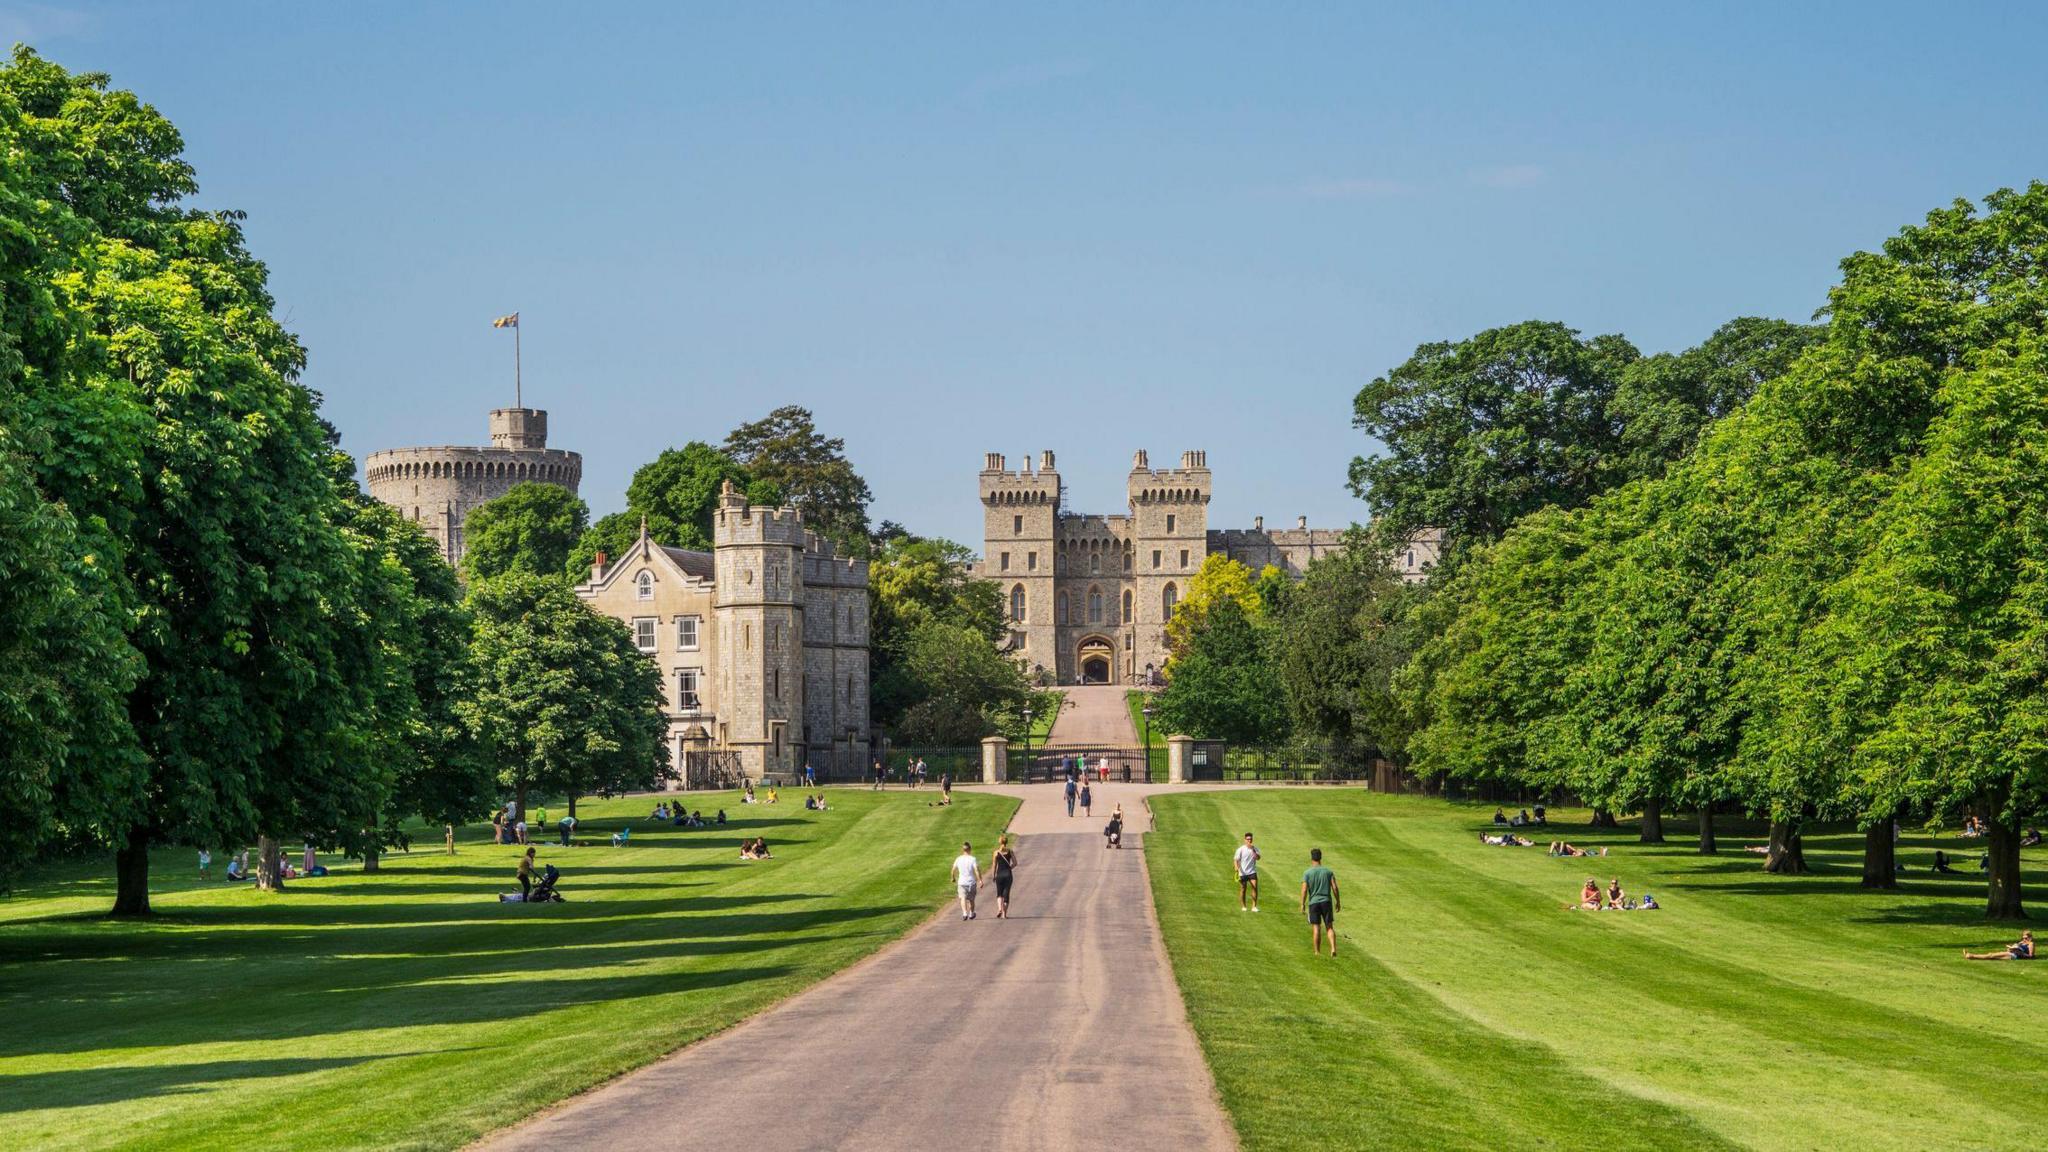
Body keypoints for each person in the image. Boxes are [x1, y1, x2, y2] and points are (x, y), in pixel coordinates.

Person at [1300, 848, 1340, 957]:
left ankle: (1317, 952)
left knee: (1316, 927)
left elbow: (1304, 890)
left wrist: (1302, 904)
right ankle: (1333, 949)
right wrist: (1338, 901)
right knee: (1329, 927)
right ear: (1320, 857)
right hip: (1326, 901)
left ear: (1311, 858)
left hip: (1314, 902)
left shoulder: (1307, 873)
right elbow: (1335, 888)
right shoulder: (1328, 872)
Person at [990, 835, 1017, 919]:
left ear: (1000, 842)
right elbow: (1015, 863)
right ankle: (1004, 914)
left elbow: (994, 865)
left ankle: (999, 909)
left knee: (999, 894)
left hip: (999, 875)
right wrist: (1010, 868)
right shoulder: (1010, 851)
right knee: (1006, 895)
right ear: (1006, 842)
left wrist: (993, 875)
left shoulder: (996, 852)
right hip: (1008, 874)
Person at [951, 840, 980, 920]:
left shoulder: (958, 859)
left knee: (962, 898)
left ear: (963, 850)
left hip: (962, 882)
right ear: (970, 849)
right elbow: (976, 870)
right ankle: (971, 913)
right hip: (971, 882)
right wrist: (980, 880)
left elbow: (953, 869)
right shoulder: (973, 859)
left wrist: (953, 877)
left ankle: (964, 913)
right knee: (971, 900)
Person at [1234, 832, 1261, 912]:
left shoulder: (1255, 849)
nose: (1249, 840)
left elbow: (1258, 858)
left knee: (1255, 887)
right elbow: (1236, 859)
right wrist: (1236, 867)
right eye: (1248, 839)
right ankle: (1243, 906)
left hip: (1252, 872)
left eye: (1250, 839)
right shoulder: (1240, 849)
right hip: (1242, 872)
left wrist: (1254, 852)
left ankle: (1254, 907)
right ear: (1245, 840)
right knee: (1243, 889)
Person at [1964, 930, 2034, 961]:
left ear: (2030, 937)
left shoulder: (2031, 944)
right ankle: (1971, 956)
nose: (2024, 939)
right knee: (1991, 957)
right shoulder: (2021, 942)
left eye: (2026, 938)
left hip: (2014, 956)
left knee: (1991, 955)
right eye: (2023, 937)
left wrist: (2021, 953)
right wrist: (2011, 948)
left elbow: (2030, 956)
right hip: (2012, 953)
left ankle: (1971, 955)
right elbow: (2013, 948)